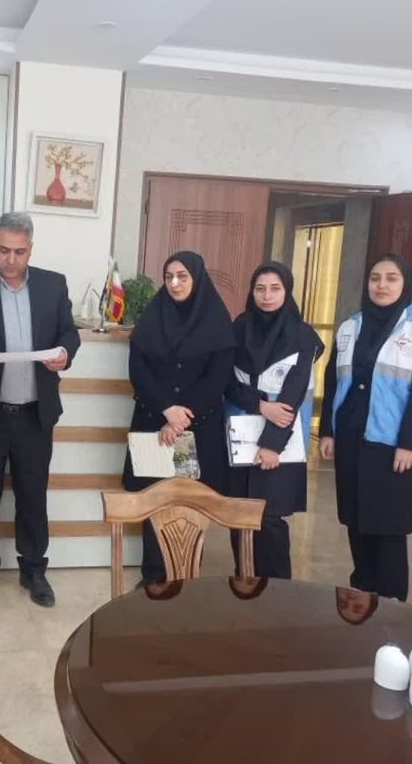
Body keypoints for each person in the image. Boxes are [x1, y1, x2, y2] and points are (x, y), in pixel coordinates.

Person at [0, 212, 80, 608]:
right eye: (3, 250)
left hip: (35, 414)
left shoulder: (52, 285)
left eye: (19, 252)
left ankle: (34, 569)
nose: (10, 259)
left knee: (32, 495)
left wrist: (65, 353)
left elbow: (69, 333)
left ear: (30, 250)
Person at [319, 254, 412, 601]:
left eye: (391, 278)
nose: (381, 285)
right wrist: (328, 430)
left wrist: (408, 443)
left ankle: (391, 605)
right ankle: (362, 595)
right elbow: (333, 380)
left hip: (392, 445)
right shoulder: (350, 327)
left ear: (405, 283)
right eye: (375, 278)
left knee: (388, 528)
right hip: (351, 437)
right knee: (357, 520)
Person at [123, 251, 235, 586]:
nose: (174, 283)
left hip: (196, 429)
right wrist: (166, 409)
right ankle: (153, 577)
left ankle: (186, 576)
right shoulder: (152, 317)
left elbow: (218, 377)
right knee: (155, 501)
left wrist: (182, 417)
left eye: (182, 276)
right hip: (154, 424)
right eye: (169, 276)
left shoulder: (217, 320)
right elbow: (138, 371)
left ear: (197, 278)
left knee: (190, 503)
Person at [225, 262, 324, 579]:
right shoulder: (239, 328)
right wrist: (260, 404)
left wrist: (271, 445)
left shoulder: (302, 335)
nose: (267, 296)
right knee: (240, 514)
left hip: (280, 440)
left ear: (287, 291)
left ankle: (278, 590)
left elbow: (293, 394)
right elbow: (226, 381)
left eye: (275, 288)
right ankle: (245, 583)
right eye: (260, 289)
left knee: (270, 518)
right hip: (241, 435)